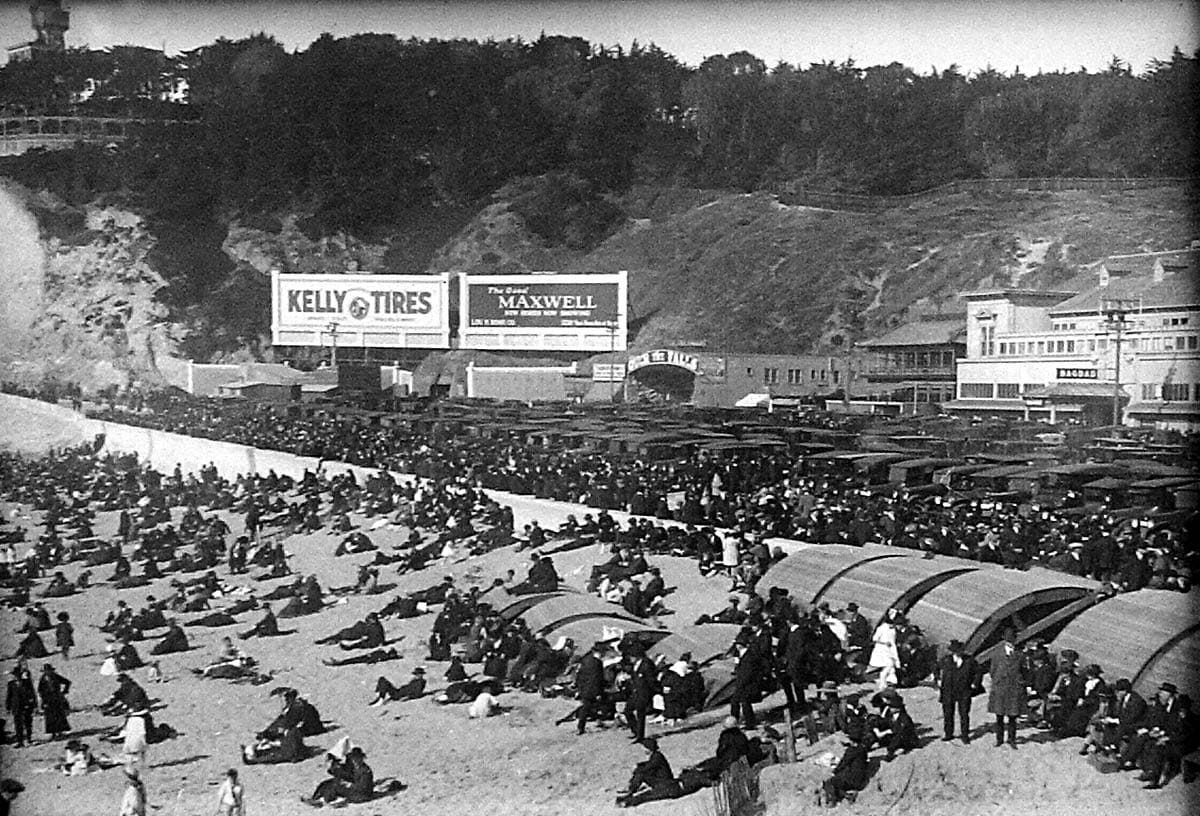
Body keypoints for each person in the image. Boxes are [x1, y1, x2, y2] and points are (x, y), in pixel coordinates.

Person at [987, 627, 1025, 749]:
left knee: (1013, 717)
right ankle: (999, 739)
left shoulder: (1020, 654)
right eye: (1008, 639)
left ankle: (1012, 739)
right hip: (1000, 688)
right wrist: (998, 682)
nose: (1011, 641)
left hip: (1014, 688)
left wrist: (1019, 682)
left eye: (1012, 638)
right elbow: (992, 671)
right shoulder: (997, 654)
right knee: (999, 716)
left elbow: (1023, 671)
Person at [616, 737, 680, 808]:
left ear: (649, 748)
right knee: (641, 773)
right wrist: (638, 765)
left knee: (643, 782)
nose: (643, 749)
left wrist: (636, 769)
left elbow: (647, 767)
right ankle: (630, 788)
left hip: (665, 785)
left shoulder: (657, 757)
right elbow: (649, 764)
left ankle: (629, 792)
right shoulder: (656, 755)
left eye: (644, 747)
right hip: (661, 782)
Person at [938, 639, 978, 743]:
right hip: (948, 690)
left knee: (964, 713)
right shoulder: (946, 660)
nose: (958, 653)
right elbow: (935, 667)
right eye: (955, 651)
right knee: (948, 713)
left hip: (964, 690)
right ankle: (948, 734)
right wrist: (937, 679)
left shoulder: (969, 660)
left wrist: (975, 683)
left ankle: (965, 735)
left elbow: (978, 672)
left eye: (959, 651)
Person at [821, 735, 869, 807]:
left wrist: (834, 772)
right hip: (861, 779)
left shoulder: (851, 751)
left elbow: (843, 763)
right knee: (838, 784)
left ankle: (831, 801)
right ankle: (848, 796)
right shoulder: (863, 750)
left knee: (830, 782)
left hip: (852, 779)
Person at [574, 642, 607, 735]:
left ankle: (596, 722)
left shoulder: (587, 660)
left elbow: (579, 675)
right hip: (592, 690)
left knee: (589, 706)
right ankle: (581, 727)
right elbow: (597, 679)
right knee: (587, 707)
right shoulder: (598, 663)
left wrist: (578, 687)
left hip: (584, 688)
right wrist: (598, 693)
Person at [4, 666, 36, 748]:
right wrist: (8, 707)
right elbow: (9, 696)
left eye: (18, 674)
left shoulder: (27, 682)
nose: (16, 676)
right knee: (18, 725)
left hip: (26, 705)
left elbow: (32, 694)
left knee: (28, 723)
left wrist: (34, 705)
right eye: (15, 675)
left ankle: (29, 739)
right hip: (16, 707)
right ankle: (20, 741)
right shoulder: (11, 684)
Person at [868, 612, 901, 691]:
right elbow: (874, 639)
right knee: (889, 664)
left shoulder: (893, 630)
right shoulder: (881, 628)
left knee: (891, 667)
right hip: (881, 650)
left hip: (890, 650)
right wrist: (884, 643)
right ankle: (883, 681)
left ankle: (889, 682)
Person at [37, 664, 71, 740]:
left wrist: (64, 691)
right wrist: (43, 699)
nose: (48, 672)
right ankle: (53, 732)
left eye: (49, 670)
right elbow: (40, 690)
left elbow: (67, 682)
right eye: (46, 671)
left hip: (57, 698)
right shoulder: (42, 679)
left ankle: (60, 731)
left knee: (59, 714)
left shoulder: (55, 676)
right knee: (50, 716)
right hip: (48, 699)